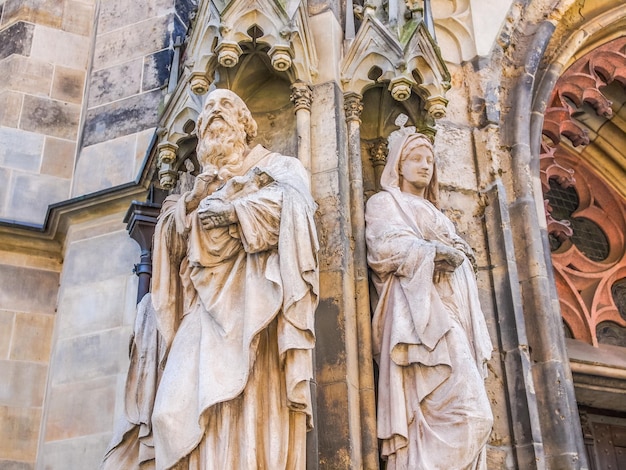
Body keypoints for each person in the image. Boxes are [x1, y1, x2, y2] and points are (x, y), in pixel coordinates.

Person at [103, 89, 319, 469]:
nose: (215, 113)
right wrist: (189, 206)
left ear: (244, 126)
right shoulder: (190, 192)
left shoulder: (277, 167)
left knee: (246, 403)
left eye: (226, 108)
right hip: (200, 309)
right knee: (169, 413)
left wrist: (234, 212)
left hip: (255, 308)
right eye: (208, 113)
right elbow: (166, 247)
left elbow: (296, 208)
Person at [365, 130, 493, 469]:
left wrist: (457, 254)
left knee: (476, 416)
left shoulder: (439, 215)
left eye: (430, 160)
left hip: (450, 315)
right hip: (416, 319)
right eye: (416, 159)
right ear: (399, 165)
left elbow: (462, 259)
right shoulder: (385, 203)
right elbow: (381, 246)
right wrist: (432, 252)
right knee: (471, 415)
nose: (425, 166)